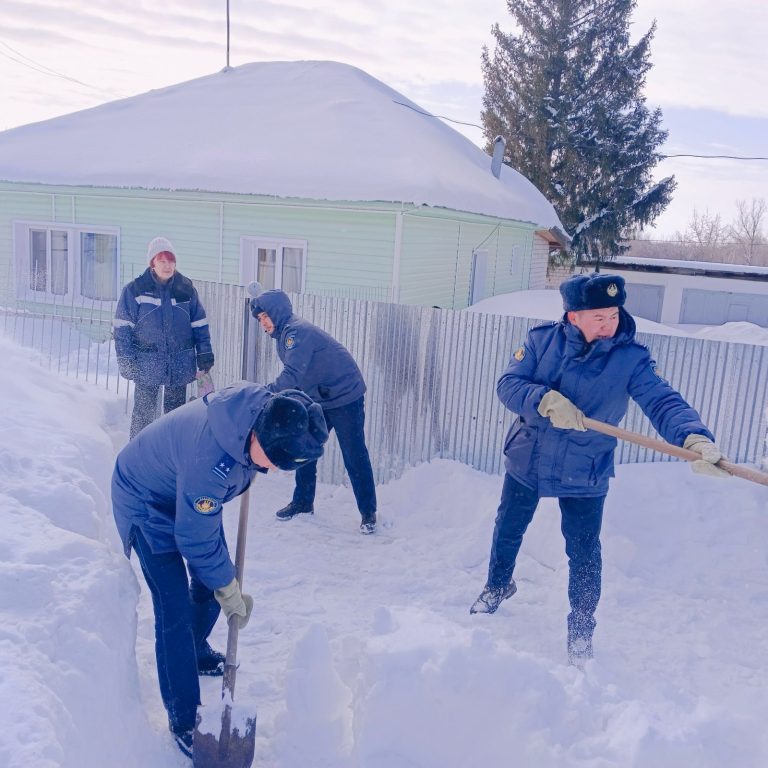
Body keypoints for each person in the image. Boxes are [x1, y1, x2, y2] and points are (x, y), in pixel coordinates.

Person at [470, 273, 727, 666]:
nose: (609, 324)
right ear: (573, 316)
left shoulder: (630, 359)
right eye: (599, 317)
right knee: (508, 528)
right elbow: (508, 384)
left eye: (613, 314)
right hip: (530, 456)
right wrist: (542, 399)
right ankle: (498, 585)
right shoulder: (541, 341)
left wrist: (692, 436)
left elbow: (662, 401)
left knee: (584, 552)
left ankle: (581, 629)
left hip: (585, 468)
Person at [111, 381, 329, 758]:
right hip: (145, 499)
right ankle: (183, 718)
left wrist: (222, 583)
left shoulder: (265, 412)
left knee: (214, 581)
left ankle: (193, 651)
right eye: (273, 463)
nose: (272, 472)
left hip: (183, 492)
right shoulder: (211, 463)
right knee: (174, 607)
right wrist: (227, 588)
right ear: (262, 439)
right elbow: (194, 539)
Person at [249, 288, 378, 534]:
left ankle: (368, 512)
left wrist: (264, 394)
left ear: (277, 312)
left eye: (265, 315)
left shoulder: (296, 333)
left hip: (344, 395)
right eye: (259, 319)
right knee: (303, 445)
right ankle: (302, 502)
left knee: (354, 453)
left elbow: (292, 375)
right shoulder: (285, 334)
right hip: (319, 396)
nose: (263, 322)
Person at [113, 236, 215, 439]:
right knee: (143, 415)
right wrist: (126, 360)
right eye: (162, 261)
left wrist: (204, 353)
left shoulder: (186, 289)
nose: (168, 265)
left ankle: (169, 454)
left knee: (175, 416)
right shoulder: (134, 290)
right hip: (147, 363)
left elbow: (199, 325)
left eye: (171, 260)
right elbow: (122, 329)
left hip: (180, 363)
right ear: (152, 263)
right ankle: (138, 453)